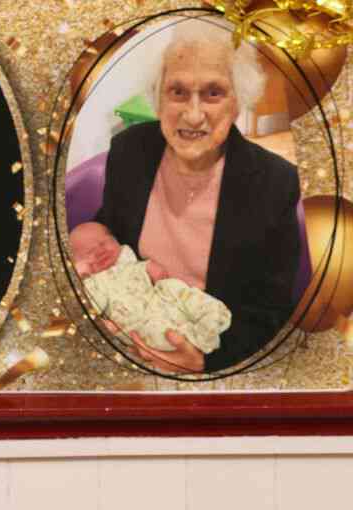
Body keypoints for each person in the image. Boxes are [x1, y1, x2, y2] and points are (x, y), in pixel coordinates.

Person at [92, 16, 300, 373]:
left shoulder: (275, 183)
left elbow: (272, 308)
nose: (192, 115)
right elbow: (107, 232)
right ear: (158, 99)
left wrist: (206, 363)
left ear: (239, 102)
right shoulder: (128, 151)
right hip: (123, 342)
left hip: (208, 355)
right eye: (177, 92)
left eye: (213, 93)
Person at [71, 221, 232, 355]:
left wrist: (149, 267)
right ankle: (194, 340)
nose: (99, 251)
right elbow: (90, 305)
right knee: (156, 334)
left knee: (175, 288)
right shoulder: (95, 282)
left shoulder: (125, 258)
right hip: (136, 320)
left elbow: (138, 267)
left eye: (103, 243)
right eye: (88, 252)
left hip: (158, 299)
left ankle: (211, 315)